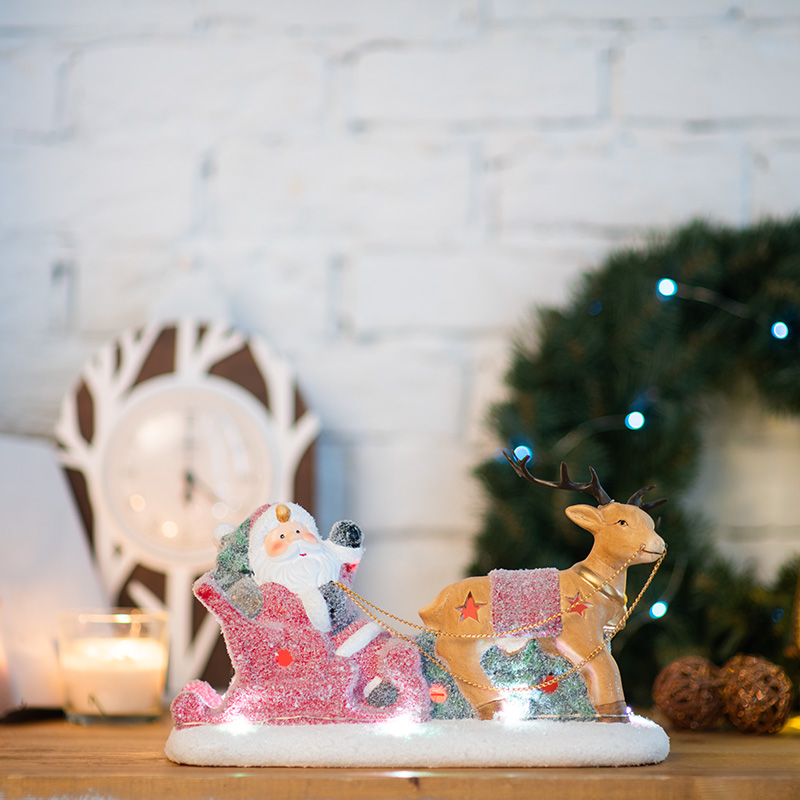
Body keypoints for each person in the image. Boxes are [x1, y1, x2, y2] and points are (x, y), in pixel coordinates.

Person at [171, 502, 430, 727]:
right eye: (282, 537)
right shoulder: (269, 593)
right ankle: (377, 692)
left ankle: (384, 687)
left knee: (388, 652)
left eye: (298, 531)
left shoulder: (329, 568)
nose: (295, 540)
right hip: (306, 661)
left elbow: (346, 564)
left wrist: (347, 546)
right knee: (361, 661)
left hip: (354, 637)